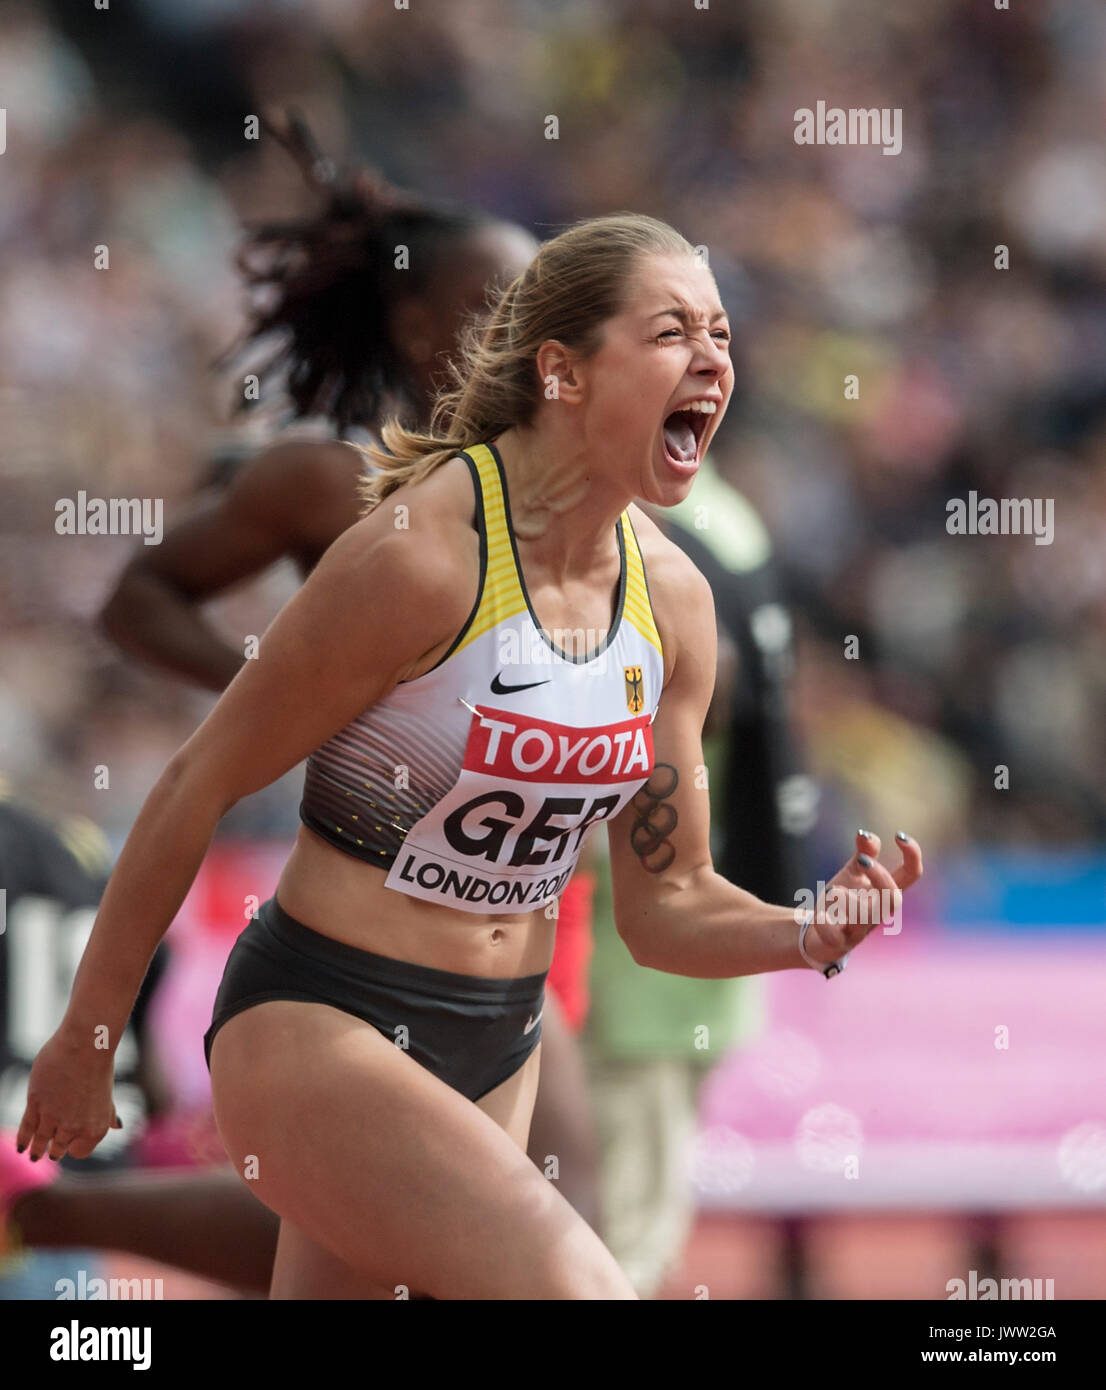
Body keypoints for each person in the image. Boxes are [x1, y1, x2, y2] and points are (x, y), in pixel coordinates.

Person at [18, 212, 922, 1300]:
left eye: (722, 335)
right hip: (320, 1021)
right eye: (673, 330)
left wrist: (805, 927)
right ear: (563, 371)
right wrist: (86, 1035)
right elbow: (193, 782)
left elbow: (666, 902)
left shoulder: (673, 603)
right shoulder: (422, 557)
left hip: (502, 1042)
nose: (713, 359)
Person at [583, 453, 819, 1295]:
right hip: (703, 907)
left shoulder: (633, 526)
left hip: (629, 938)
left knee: (616, 1231)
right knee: (636, 1213)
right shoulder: (731, 517)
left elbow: (711, 695)